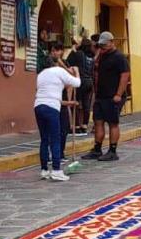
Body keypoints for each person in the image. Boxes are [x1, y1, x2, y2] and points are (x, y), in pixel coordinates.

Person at [81, 32, 130, 162]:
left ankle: (112, 150)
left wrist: (118, 94)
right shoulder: (101, 56)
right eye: (100, 45)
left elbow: (125, 76)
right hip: (100, 96)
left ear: (111, 42)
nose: (102, 47)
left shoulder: (119, 57)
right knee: (98, 122)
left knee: (113, 123)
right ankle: (97, 149)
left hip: (113, 96)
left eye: (104, 45)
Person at [33, 51, 81, 181]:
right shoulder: (59, 71)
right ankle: (56, 170)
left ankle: (44, 170)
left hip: (38, 106)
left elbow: (55, 86)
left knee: (44, 139)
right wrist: (76, 71)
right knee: (55, 138)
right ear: (56, 63)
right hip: (51, 107)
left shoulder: (41, 74)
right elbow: (77, 83)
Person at [66, 38, 95, 135]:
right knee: (86, 104)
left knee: (77, 102)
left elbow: (68, 61)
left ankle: (77, 127)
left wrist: (74, 48)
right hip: (90, 81)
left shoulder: (79, 54)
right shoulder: (92, 56)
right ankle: (85, 126)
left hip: (81, 81)